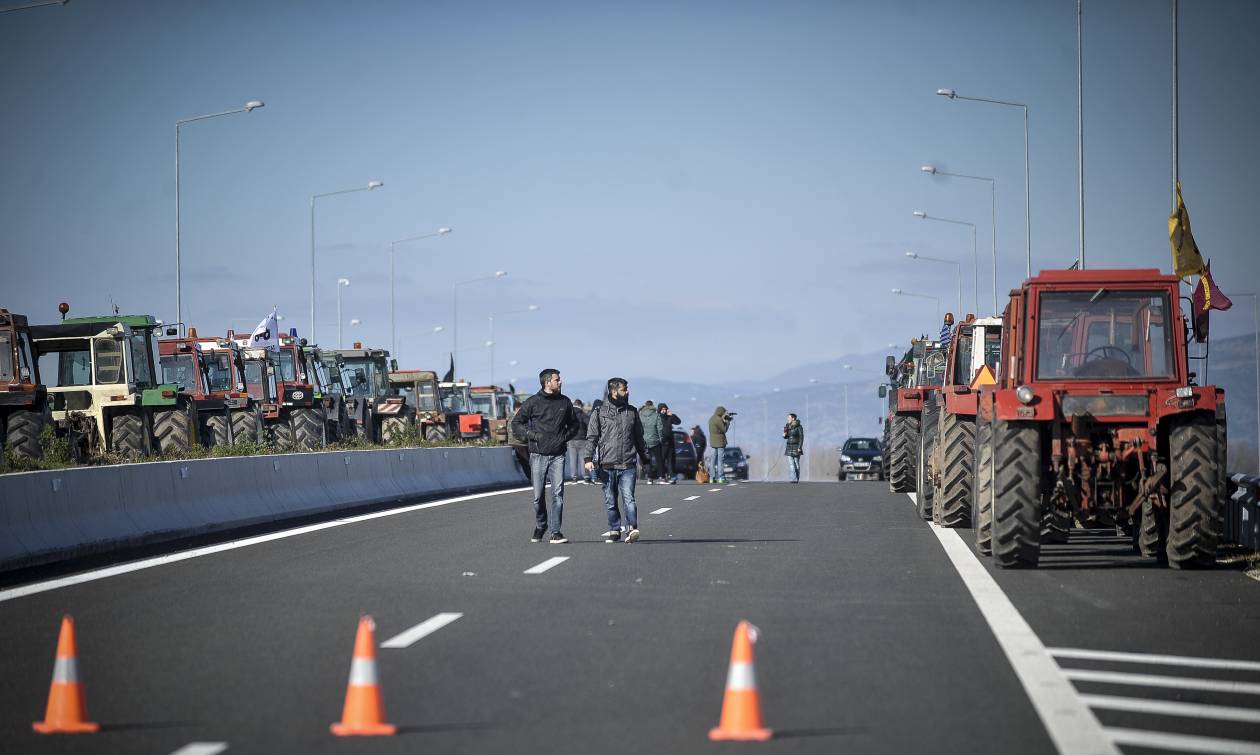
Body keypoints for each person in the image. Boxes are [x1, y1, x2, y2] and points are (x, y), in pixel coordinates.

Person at [511, 368, 580, 544]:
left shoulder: (565, 402)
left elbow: (575, 425)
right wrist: (533, 436)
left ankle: (555, 532)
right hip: (538, 455)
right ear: (547, 382)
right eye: (557, 380)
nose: (561, 382)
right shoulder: (533, 402)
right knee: (538, 496)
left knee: (558, 494)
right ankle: (541, 525)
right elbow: (516, 423)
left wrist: (564, 437)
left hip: (558, 455)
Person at [585, 377, 648, 543]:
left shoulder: (632, 412)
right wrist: (588, 458)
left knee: (629, 498)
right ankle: (614, 529)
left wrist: (645, 458)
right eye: (624, 389)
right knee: (611, 500)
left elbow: (639, 438)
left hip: (628, 464)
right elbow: (592, 437)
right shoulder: (599, 412)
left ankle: (632, 528)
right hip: (606, 464)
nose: (627, 392)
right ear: (614, 391)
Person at [639, 400, 664, 484]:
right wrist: (660, 438)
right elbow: (659, 428)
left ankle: (649, 478)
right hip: (655, 440)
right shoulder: (656, 415)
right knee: (659, 459)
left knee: (647, 460)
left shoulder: (641, 415)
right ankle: (661, 477)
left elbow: (638, 428)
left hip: (644, 441)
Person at [708, 405, 733, 483]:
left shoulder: (711, 419)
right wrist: (728, 421)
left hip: (712, 441)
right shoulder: (718, 420)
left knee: (712, 460)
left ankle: (712, 477)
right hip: (720, 442)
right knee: (720, 460)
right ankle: (721, 477)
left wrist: (724, 419)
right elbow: (724, 429)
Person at [567, 399, 590, 483]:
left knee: (573, 459)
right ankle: (586, 477)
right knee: (583, 459)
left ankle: (574, 478)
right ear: (580, 405)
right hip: (582, 439)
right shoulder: (583, 414)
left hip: (571, 440)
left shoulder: (569, 415)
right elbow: (589, 424)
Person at [658, 403, 681, 483]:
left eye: (665, 409)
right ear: (659, 410)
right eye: (662, 409)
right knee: (662, 460)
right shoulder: (658, 418)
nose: (664, 411)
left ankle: (672, 476)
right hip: (661, 442)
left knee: (671, 460)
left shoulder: (669, 417)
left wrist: (672, 415)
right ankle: (663, 476)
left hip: (670, 442)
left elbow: (678, 422)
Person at [783, 412, 804, 483]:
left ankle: (797, 478)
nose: (787, 419)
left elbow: (801, 437)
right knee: (791, 464)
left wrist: (799, 447)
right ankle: (793, 479)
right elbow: (787, 436)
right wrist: (785, 435)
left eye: (789, 417)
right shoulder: (787, 426)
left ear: (793, 418)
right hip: (789, 447)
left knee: (796, 464)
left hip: (796, 447)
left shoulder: (799, 427)